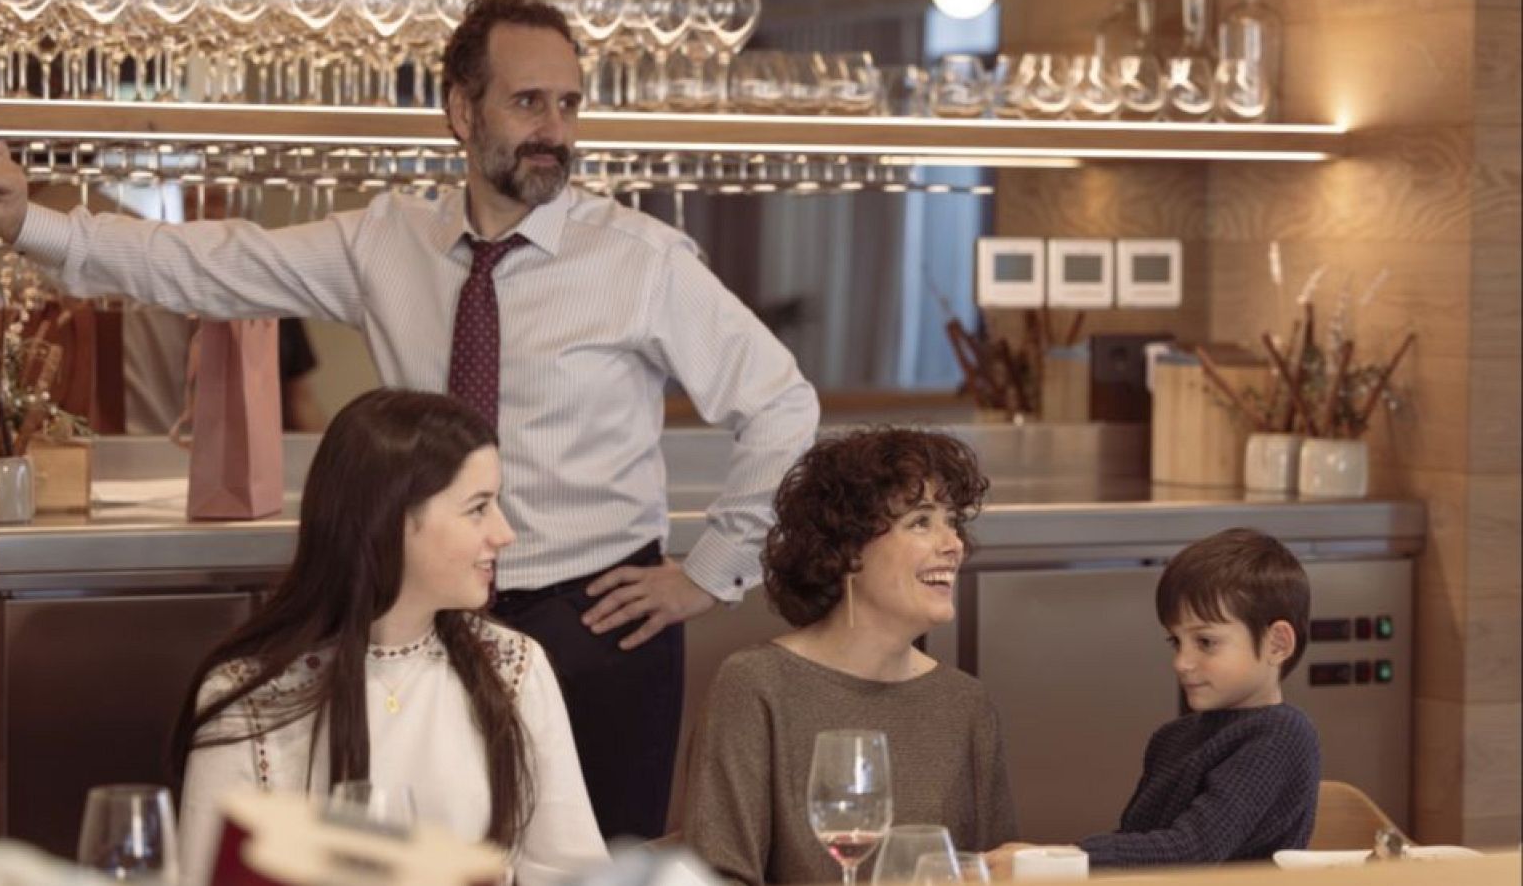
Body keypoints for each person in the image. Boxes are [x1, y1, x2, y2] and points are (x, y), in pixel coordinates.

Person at [0, 0, 819, 839]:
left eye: (568, 103)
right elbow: (206, 264)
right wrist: (32, 225)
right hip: (429, 615)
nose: (555, 129)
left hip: (595, 621)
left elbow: (781, 402)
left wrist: (711, 571)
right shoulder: (384, 242)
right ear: (460, 110)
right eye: (527, 101)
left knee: (594, 866)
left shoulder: (643, 260)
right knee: (430, 856)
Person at [171, 389, 607, 886]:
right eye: (478, 507)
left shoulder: (513, 666)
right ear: (392, 520)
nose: (504, 533)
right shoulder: (249, 696)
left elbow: (572, 875)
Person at [682, 428, 1018, 886]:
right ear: (848, 550)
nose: (953, 544)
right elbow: (716, 877)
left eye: (953, 521)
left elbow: (992, 872)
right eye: (921, 522)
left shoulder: (965, 704)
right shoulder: (757, 686)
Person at [987, 527, 1321, 875]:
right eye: (1176, 642)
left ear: (1277, 644)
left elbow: (1193, 850)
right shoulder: (1172, 739)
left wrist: (1055, 861)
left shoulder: (1282, 736)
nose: (1182, 662)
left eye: (1206, 642)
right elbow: (1139, 845)